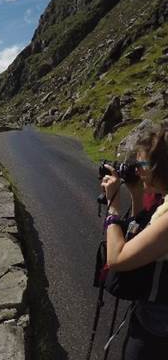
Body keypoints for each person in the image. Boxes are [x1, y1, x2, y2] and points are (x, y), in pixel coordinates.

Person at [101, 126, 168, 359]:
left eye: (142, 166)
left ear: (160, 168)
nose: (138, 172)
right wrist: (136, 196)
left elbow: (117, 258)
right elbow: (143, 235)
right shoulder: (164, 202)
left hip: (157, 329)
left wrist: (114, 209)